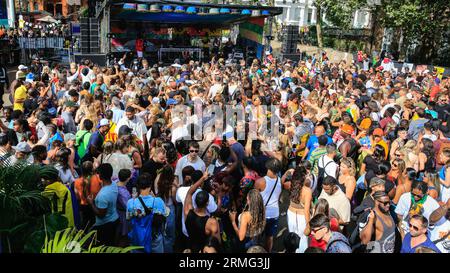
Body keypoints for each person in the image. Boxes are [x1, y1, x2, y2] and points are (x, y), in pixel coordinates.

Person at [127, 173, 168, 253]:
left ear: (138, 186)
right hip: (154, 238)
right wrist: (154, 197)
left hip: (137, 238)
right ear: (150, 185)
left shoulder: (131, 202)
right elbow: (165, 215)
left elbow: (128, 218)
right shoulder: (158, 201)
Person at [183, 170, 221, 253]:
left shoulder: (187, 212)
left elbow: (190, 192)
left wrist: (203, 178)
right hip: (204, 250)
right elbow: (217, 243)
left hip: (191, 247)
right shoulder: (212, 222)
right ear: (207, 203)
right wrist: (219, 196)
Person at [87, 163, 119, 246]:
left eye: (99, 173)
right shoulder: (114, 184)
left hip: (104, 225)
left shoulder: (103, 195)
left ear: (101, 175)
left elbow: (101, 215)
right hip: (114, 219)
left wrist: (91, 203)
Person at [255, 158, 283, 252]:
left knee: (257, 235)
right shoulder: (280, 181)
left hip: (262, 214)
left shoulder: (260, 182)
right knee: (269, 236)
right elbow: (278, 197)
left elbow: (255, 199)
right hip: (275, 213)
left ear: (267, 167)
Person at [282, 165, 312, 253]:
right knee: (302, 239)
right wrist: (308, 225)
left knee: (292, 237)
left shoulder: (289, 185)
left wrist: (286, 173)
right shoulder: (307, 191)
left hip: (290, 214)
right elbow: (306, 211)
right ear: (303, 177)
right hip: (302, 217)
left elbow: (281, 183)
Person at [74, 161, 102, 230]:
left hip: (84, 207)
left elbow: (77, 197)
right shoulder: (98, 178)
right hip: (95, 205)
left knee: (85, 225)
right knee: (95, 224)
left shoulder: (77, 181)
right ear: (92, 169)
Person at [116, 169, 131, 247]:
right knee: (123, 234)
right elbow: (128, 207)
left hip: (117, 211)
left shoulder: (116, 181)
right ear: (128, 178)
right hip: (123, 215)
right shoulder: (123, 193)